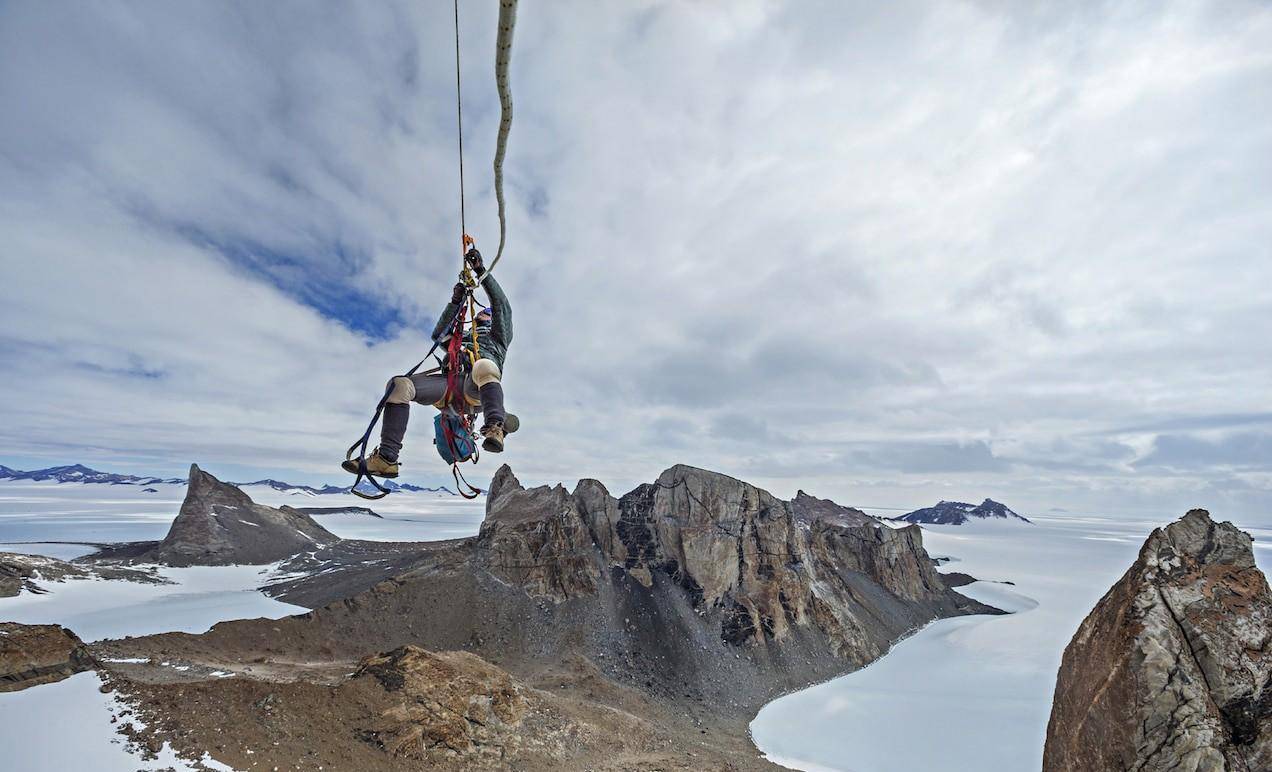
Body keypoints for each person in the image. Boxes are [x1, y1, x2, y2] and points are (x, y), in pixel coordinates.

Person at [343, 246, 516, 478]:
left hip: (477, 388)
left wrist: (480, 271)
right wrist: (455, 302)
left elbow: (501, 305)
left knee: (484, 366)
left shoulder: (498, 337)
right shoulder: (459, 339)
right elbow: (439, 335)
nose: (480, 314)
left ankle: (495, 426)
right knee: (399, 386)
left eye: (485, 312)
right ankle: (386, 458)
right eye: (480, 312)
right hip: (450, 385)